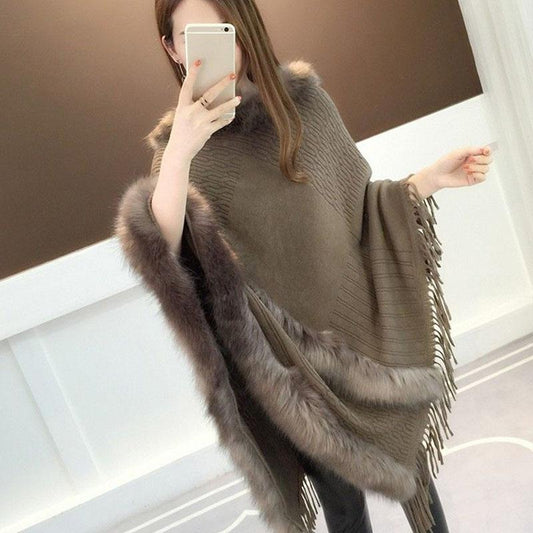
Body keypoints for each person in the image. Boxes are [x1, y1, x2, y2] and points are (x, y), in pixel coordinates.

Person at [116, 1, 493, 532]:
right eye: (192, 36)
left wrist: (429, 179)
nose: (215, 47)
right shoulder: (181, 157)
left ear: (245, 28)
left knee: (414, 474)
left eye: (224, 30)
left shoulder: (305, 105)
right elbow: (168, 255)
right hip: (289, 371)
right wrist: (180, 151)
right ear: (172, 49)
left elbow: (359, 210)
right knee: (344, 508)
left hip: (362, 346)